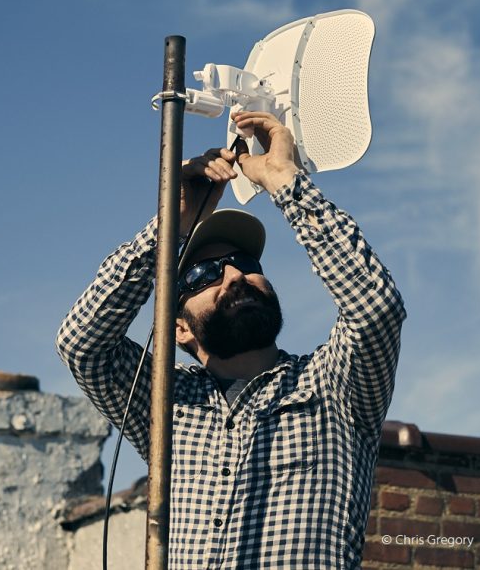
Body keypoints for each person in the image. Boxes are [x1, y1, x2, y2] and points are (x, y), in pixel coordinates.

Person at [56, 111, 406, 569]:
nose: (236, 275)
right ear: (179, 328)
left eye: (245, 262)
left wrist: (284, 180)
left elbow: (375, 308)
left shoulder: (332, 386)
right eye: (205, 274)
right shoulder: (164, 404)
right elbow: (81, 343)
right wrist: (170, 225)